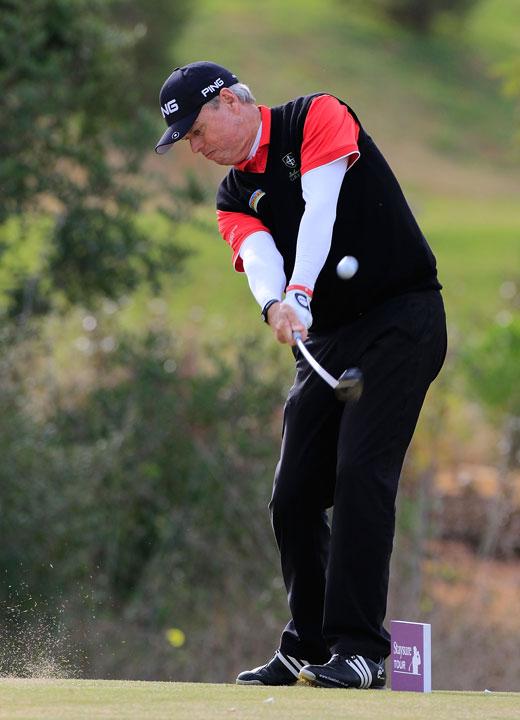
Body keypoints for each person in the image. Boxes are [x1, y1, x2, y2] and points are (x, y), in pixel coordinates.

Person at [155, 61, 447, 690]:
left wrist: (301, 293)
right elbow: (258, 255)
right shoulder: (233, 195)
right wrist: (274, 304)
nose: (195, 147)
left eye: (196, 130)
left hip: (402, 315)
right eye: (185, 140)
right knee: (293, 495)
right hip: (329, 339)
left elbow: (320, 207)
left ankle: (361, 650)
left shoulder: (317, 116)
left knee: (360, 472)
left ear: (231, 102)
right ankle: (308, 643)